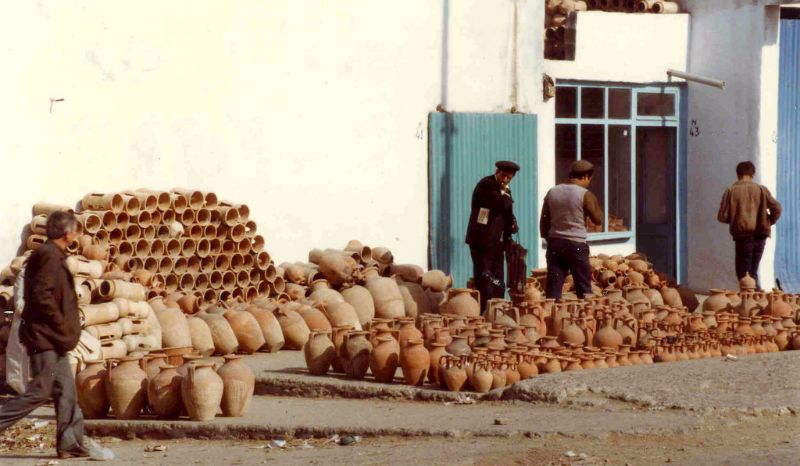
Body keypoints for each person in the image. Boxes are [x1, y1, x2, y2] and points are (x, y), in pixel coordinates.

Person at [0, 210, 88, 459]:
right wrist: (61, 326)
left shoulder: (52, 255)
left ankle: (70, 444)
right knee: (40, 390)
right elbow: (43, 297)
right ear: (68, 233)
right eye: (75, 230)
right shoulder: (49, 256)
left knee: (67, 391)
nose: (76, 234)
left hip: (53, 341)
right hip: (46, 340)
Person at [539, 159, 603, 300]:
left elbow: (544, 221)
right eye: (589, 179)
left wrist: (548, 238)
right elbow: (598, 219)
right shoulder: (585, 194)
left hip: (555, 243)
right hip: (576, 245)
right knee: (584, 288)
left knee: (553, 288)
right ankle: (584, 317)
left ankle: (551, 317)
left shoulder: (552, 192)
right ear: (586, 176)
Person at [717, 161, 782, 290]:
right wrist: (769, 221)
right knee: (753, 270)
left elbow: (721, 216)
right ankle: (756, 300)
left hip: (743, 236)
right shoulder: (761, 190)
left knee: (743, 273)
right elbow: (777, 208)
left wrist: (734, 219)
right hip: (761, 235)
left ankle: (748, 303)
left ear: (737, 174)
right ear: (753, 174)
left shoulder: (731, 190)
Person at [465, 160, 520, 312]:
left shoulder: (504, 190)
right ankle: (486, 312)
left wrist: (512, 223)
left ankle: (498, 309)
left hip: (496, 242)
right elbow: (500, 204)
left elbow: (506, 211)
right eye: (503, 175)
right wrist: (505, 193)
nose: (505, 180)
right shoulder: (486, 185)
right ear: (497, 172)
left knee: (498, 279)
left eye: (509, 178)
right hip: (482, 242)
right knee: (486, 278)